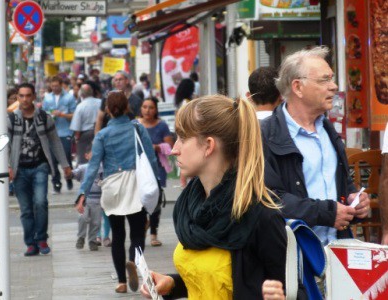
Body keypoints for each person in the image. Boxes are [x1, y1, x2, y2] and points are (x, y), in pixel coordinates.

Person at [141, 95, 286, 299]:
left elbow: (288, 288)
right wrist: (173, 283)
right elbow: (210, 279)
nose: (174, 149)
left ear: (208, 146)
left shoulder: (261, 216)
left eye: (183, 138)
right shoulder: (192, 207)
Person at [261, 46, 370, 247]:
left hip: (337, 252)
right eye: (324, 80)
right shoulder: (265, 135)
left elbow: (342, 185)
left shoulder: (328, 130)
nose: (334, 86)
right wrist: (327, 213)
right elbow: (268, 199)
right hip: (293, 255)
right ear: (297, 87)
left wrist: (355, 202)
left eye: (332, 78)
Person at [78, 91, 159, 294]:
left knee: (117, 235)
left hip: (112, 187)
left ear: (107, 110)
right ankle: (133, 261)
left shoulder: (102, 135)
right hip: (135, 185)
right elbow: (151, 158)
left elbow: (93, 166)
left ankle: (121, 282)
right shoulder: (137, 128)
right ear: (127, 108)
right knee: (138, 235)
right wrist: (156, 182)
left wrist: (82, 193)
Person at [7, 83, 72, 256]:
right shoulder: (13, 119)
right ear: (17, 98)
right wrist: (8, 166)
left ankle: (41, 238)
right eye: (21, 96)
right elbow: (5, 145)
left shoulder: (44, 117)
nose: (25, 99)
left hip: (40, 167)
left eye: (28, 95)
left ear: (34, 97)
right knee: (26, 209)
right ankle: (31, 243)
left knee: (41, 202)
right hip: (20, 169)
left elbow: (55, 142)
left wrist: (65, 165)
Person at [137, 97, 174, 247]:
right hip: (139, 168)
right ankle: (143, 224)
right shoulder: (136, 125)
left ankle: (153, 234)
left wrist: (157, 147)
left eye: (151, 107)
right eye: (145, 107)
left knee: (156, 200)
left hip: (157, 167)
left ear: (156, 110)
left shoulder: (162, 125)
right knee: (141, 200)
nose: (147, 110)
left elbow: (170, 144)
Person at [42, 76, 77, 193]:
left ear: (61, 85)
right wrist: (49, 115)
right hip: (51, 132)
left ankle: (69, 178)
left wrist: (62, 115)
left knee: (66, 158)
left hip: (65, 131)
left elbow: (74, 114)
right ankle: (56, 182)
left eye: (57, 85)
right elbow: (43, 113)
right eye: (53, 86)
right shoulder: (47, 98)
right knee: (52, 160)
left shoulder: (69, 97)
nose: (55, 88)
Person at [72, 145, 103, 251]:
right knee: (82, 218)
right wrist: (68, 172)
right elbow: (73, 174)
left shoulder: (103, 168)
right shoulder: (83, 168)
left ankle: (92, 240)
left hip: (98, 200)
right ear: (86, 156)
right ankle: (81, 237)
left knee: (96, 222)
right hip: (85, 199)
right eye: (92, 154)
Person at [69, 84, 101, 165]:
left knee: (84, 161)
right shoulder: (100, 102)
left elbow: (77, 127)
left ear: (82, 94)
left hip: (85, 137)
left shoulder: (80, 106)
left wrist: (77, 138)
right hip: (100, 132)